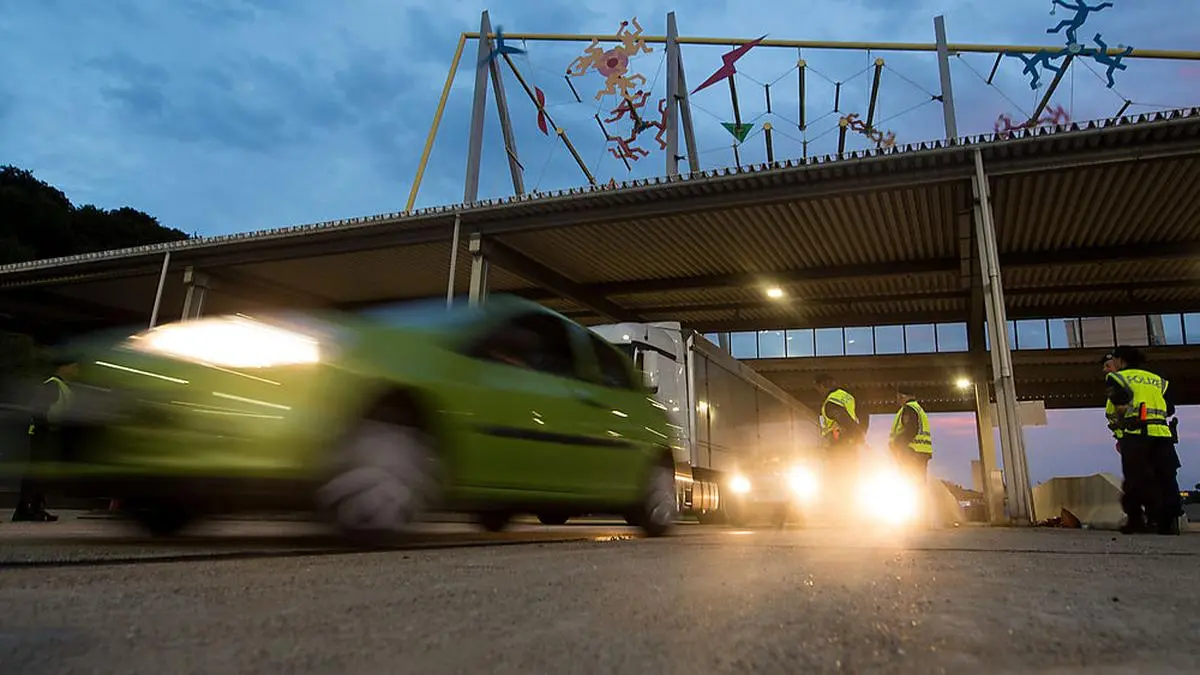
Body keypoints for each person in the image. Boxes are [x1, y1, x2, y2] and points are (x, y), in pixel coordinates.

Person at [1103, 346, 1182, 536]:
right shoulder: (1159, 380)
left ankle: (1137, 521)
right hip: (1162, 433)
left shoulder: (1117, 378)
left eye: (1113, 359)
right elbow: (1170, 409)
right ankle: (1168, 522)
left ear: (1121, 360)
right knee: (1166, 477)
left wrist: (1123, 430)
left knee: (1136, 479)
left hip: (1137, 433)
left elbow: (1120, 407)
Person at [12, 356, 78, 522]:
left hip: (48, 433)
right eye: (74, 367)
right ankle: (25, 508)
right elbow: (39, 410)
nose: (76, 371)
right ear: (63, 367)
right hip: (42, 433)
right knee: (36, 471)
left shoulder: (61, 386)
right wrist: (48, 428)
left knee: (42, 472)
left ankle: (36, 507)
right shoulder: (53, 385)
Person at [814, 374, 863, 517]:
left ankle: (841, 514)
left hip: (839, 446)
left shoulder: (830, 403)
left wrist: (854, 434)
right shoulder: (848, 397)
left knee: (838, 480)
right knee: (850, 478)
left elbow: (845, 420)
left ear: (822, 386)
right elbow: (862, 414)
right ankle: (851, 512)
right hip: (850, 445)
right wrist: (860, 434)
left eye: (818, 388)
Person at [888, 386, 932, 485]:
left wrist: (897, 444)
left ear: (901, 396)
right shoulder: (918, 409)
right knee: (918, 486)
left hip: (911, 454)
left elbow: (911, 430)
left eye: (898, 397)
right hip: (920, 454)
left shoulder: (909, 409)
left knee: (910, 486)